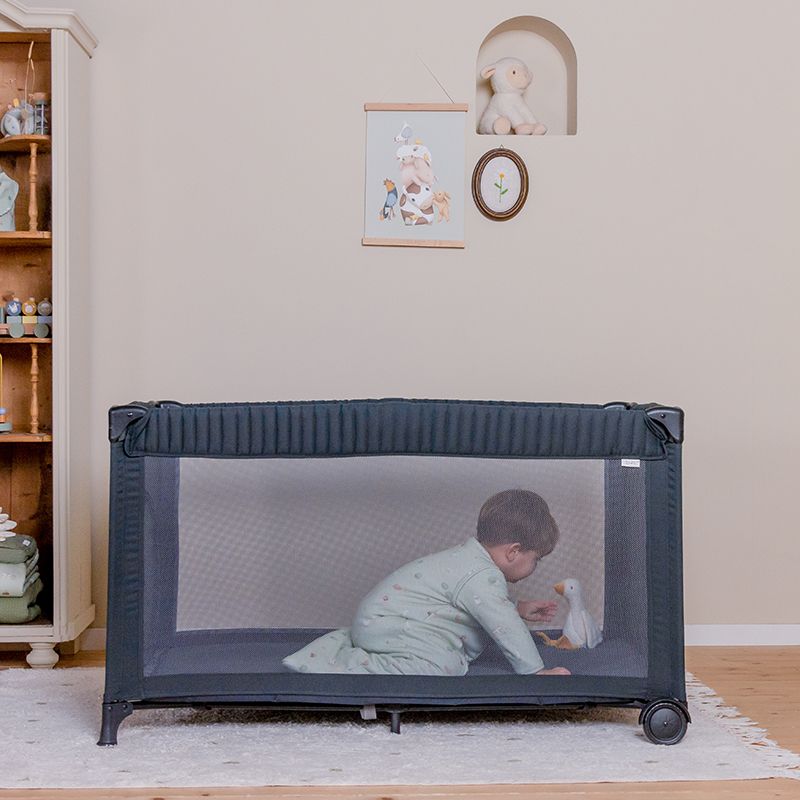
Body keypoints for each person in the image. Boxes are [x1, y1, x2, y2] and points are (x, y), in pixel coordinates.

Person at [282, 489, 571, 677]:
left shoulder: (470, 561)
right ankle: (349, 665)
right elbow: (503, 624)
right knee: (444, 666)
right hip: (390, 625)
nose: (535, 567)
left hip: (382, 622)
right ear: (513, 552)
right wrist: (534, 671)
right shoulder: (481, 575)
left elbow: (479, 606)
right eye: (536, 559)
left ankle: (354, 644)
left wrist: (517, 608)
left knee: (448, 657)